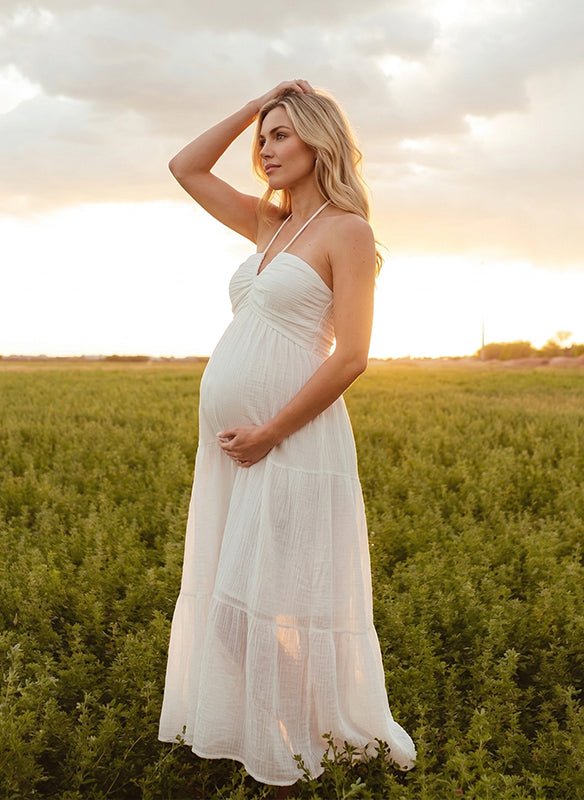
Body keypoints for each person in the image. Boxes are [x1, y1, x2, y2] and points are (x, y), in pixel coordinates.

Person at [158, 79, 416, 794]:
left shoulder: (347, 232)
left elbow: (354, 354)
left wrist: (271, 430)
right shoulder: (269, 226)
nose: (265, 150)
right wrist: (250, 105)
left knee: (268, 602)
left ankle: (309, 741)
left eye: (281, 135)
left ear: (318, 140)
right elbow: (185, 167)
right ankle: (299, 735)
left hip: (293, 445)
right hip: (236, 453)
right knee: (236, 604)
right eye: (261, 139)